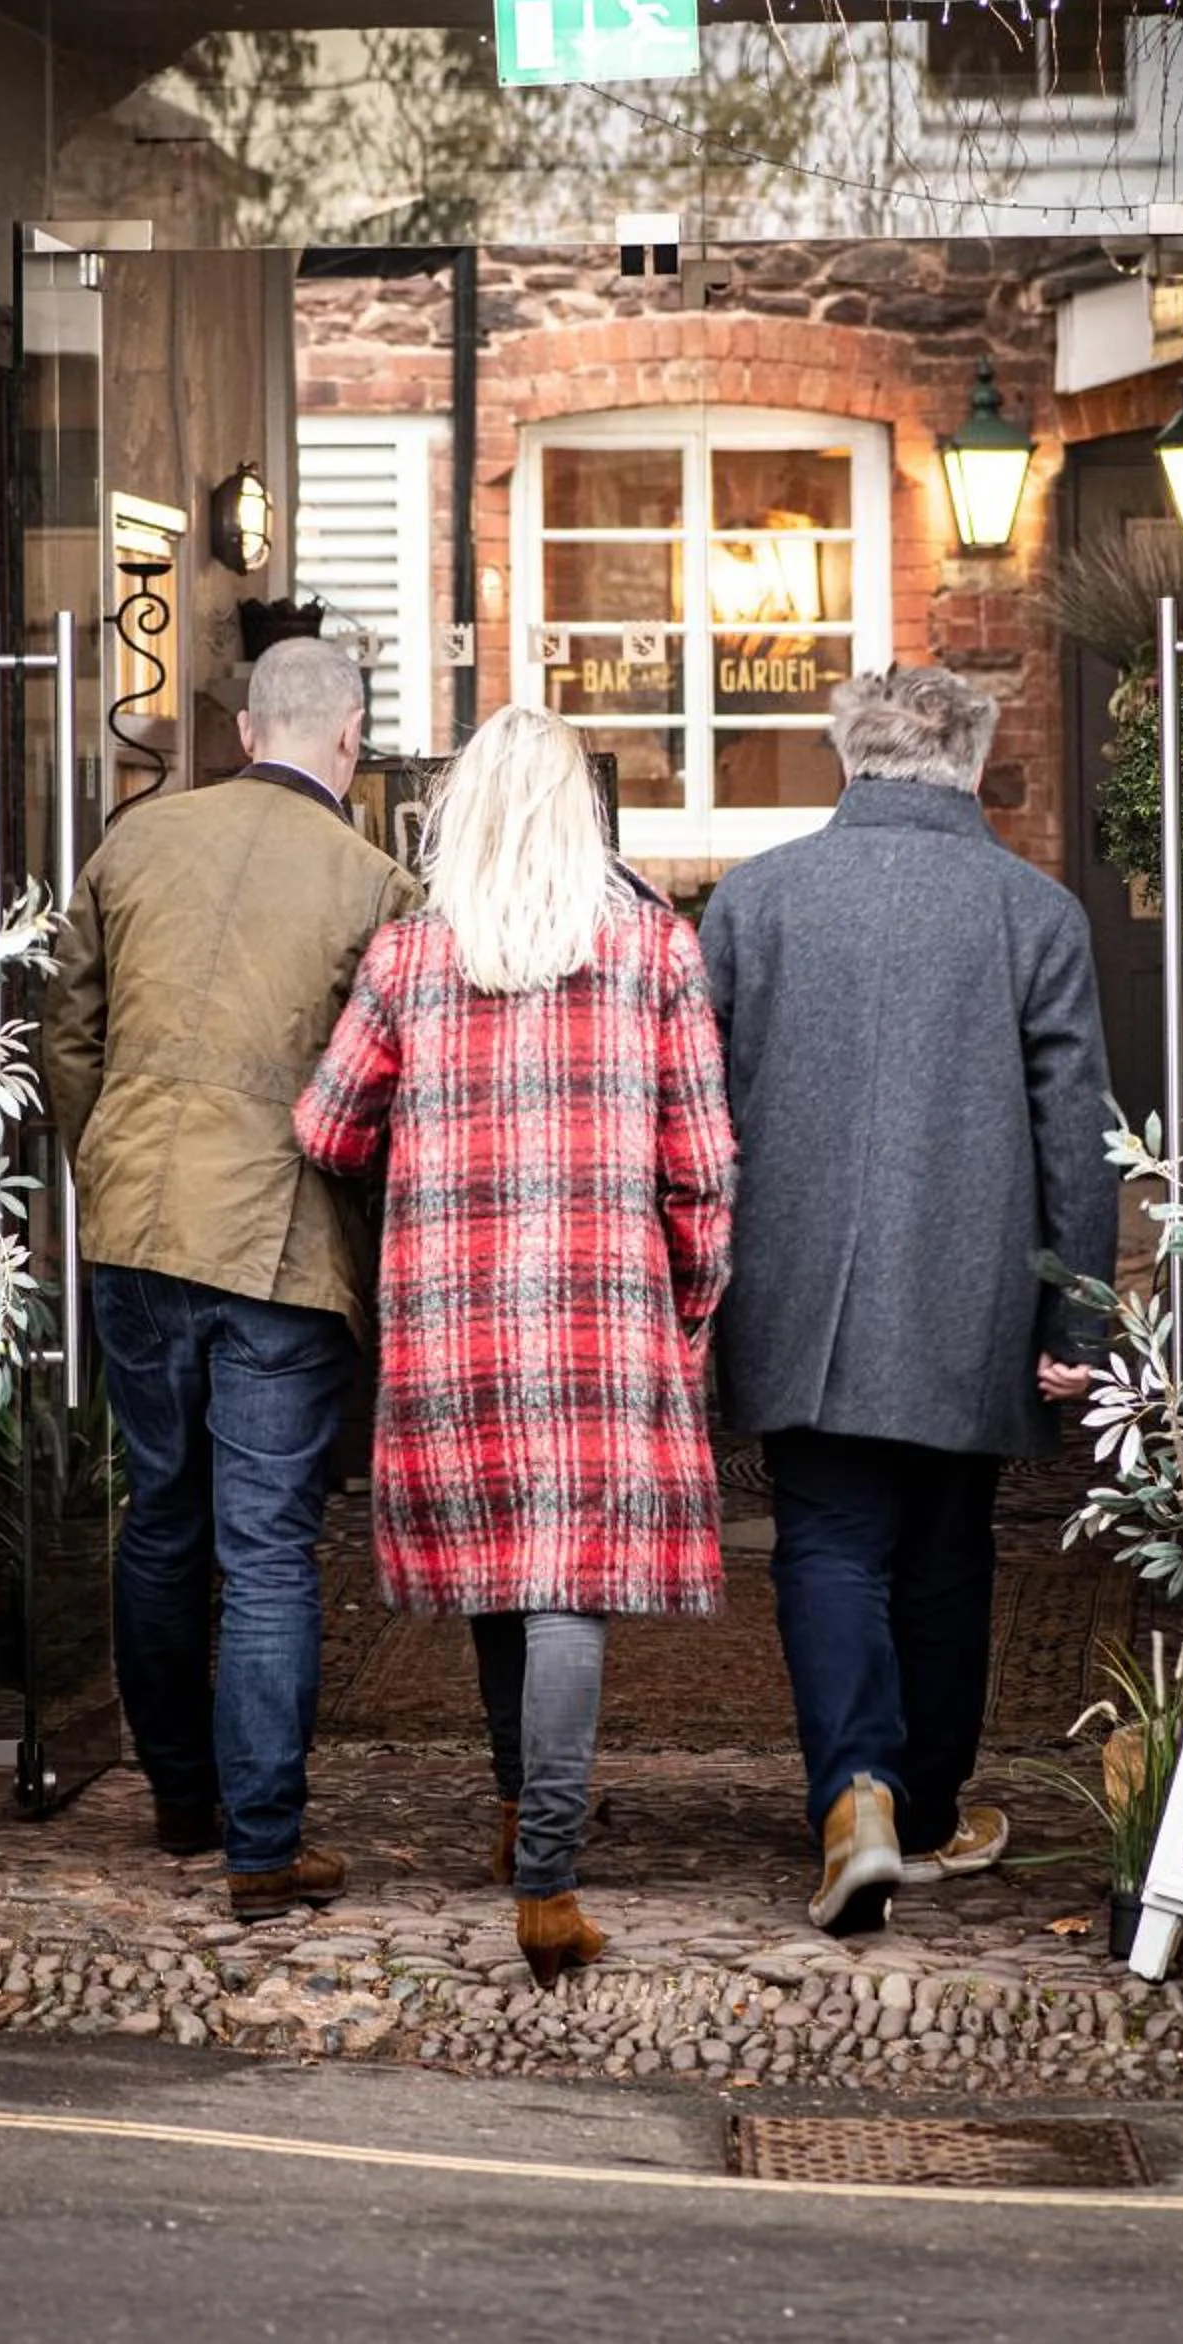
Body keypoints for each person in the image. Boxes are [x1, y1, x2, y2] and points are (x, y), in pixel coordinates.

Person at [294, 704, 734, 1987]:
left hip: (455, 1310)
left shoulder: (412, 957)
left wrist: (411, 1140)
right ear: (584, 821)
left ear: (460, 817)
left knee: (506, 1566)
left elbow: (325, 1131)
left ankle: (514, 1818)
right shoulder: (654, 948)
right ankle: (546, 1873)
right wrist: (691, 1308)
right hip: (603, 1308)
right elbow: (703, 1168)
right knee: (564, 1579)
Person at [698, 665, 1115, 1937]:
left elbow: (695, 1119)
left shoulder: (752, 901)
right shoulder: (1032, 911)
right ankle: (925, 1809)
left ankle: (858, 1796)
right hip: (971, 1291)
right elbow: (1076, 1136)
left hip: (794, 1283)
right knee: (945, 1548)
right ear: (975, 765)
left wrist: (691, 1283)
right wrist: (1079, 1322)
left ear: (847, 756)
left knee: (826, 1540)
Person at [40, 638, 421, 1919]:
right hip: (279, 1243)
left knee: (161, 1515)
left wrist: (110, 1158)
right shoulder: (379, 882)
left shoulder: (134, 840)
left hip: (139, 1227)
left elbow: (68, 1037)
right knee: (265, 1546)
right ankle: (262, 1847)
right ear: (351, 740)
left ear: (248, 723)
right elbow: (381, 1093)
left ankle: (179, 1800)